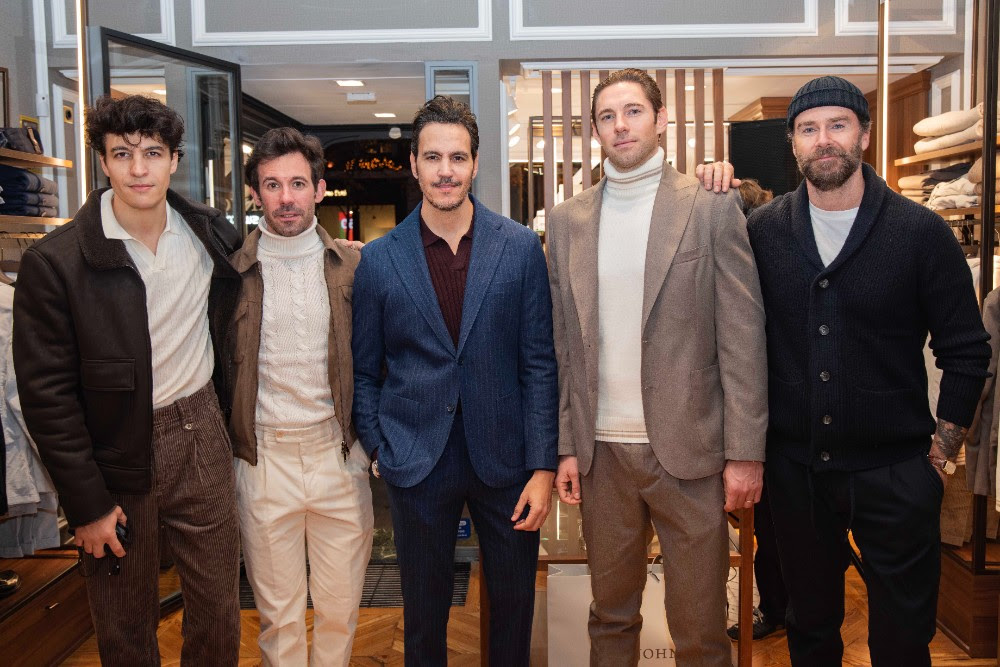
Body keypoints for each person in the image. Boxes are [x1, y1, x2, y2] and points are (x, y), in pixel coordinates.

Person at [746, 75, 991, 666]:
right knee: (809, 629)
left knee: (903, 637)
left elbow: (967, 350)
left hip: (897, 469)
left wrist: (941, 454)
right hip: (796, 471)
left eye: (837, 124)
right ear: (793, 142)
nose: (823, 140)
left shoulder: (921, 233)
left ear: (864, 132)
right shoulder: (763, 232)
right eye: (809, 129)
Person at [548, 68, 768, 666]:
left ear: (661, 118)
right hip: (602, 457)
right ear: (594, 130)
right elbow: (564, 345)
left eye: (634, 112)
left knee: (699, 628)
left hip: (689, 454)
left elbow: (743, 337)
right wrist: (566, 445)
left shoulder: (709, 206)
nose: (621, 126)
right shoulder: (568, 222)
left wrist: (746, 451)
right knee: (610, 618)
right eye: (607, 117)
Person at [12, 94, 242, 665]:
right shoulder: (56, 262)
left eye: (153, 153)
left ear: (173, 160)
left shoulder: (210, 236)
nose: (139, 168)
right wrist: (86, 503)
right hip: (115, 452)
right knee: (124, 619)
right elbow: (46, 397)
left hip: (202, 433)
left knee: (217, 604)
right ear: (103, 161)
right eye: (123, 153)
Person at [351, 95, 558, 666]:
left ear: (474, 164)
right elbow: (365, 370)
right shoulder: (380, 259)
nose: (446, 170)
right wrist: (378, 447)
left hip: (508, 461)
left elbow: (539, 362)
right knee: (423, 615)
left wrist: (543, 466)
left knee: (514, 609)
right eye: (434, 157)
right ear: (413, 164)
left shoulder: (517, 248)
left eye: (458, 158)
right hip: (416, 458)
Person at [228, 127, 372, 666]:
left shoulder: (355, 268)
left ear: (318, 188)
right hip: (264, 462)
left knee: (340, 612)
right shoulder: (231, 275)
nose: (285, 198)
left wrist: (365, 449)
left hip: (338, 458)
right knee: (279, 619)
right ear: (256, 193)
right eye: (271, 185)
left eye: (296, 183)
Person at [726, 178, 788, 643]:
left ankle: (777, 608)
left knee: (774, 529)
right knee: (769, 527)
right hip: (749, 417)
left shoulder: (772, 260)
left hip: (779, 418)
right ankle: (775, 607)